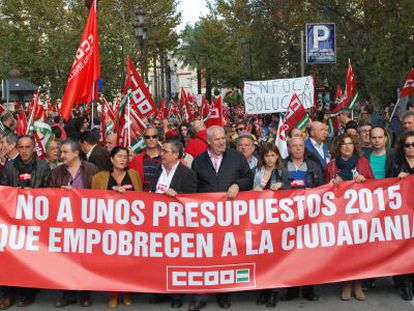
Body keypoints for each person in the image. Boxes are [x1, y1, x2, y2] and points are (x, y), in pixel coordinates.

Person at [191, 125, 253, 310]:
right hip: (206, 218)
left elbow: (249, 178)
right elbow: (193, 187)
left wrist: (237, 184)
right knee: (204, 256)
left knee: (226, 256)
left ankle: (224, 294)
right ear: (209, 141)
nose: (221, 142)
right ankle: (200, 296)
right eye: (217, 140)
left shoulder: (237, 157)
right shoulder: (199, 161)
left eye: (223, 138)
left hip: (230, 217)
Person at [0, 135, 51, 309]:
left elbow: (50, 192)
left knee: (30, 257)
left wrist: (34, 194)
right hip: (12, 218)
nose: (23, 150)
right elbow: (3, 189)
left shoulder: (44, 166)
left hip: (34, 220)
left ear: (34, 148)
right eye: (21, 147)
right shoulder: (9, 166)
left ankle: (27, 293)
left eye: (27, 147)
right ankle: (7, 294)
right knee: (9, 255)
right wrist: (16, 193)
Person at [47, 139, 98, 308]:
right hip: (64, 222)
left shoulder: (91, 169)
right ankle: (66, 294)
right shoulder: (55, 173)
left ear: (76, 153)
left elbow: (99, 195)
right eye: (61, 152)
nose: (61, 155)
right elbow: (47, 196)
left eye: (65, 152)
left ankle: (84, 293)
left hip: (85, 222)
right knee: (65, 260)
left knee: (84, 259)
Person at [325, 133, 374, 301]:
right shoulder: (331, 166)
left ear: (355, 146)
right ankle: (346, 283)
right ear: (338, 147)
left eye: (350, 144)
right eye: (343, 144)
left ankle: (358, 284)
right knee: (344, 251)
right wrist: (331, 185)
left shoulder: (363, 163)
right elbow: (324, 191)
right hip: (340, 214)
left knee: (360, 250)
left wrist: (364, 179)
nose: (347, 147)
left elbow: (374, 186)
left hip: (360, 213)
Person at [91, 146, 142, 308]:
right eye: (119, 156)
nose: (123, 159)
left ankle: (126, 291)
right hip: (108, 227)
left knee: (127, 262)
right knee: (111, 262)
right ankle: (113, 293)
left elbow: (141, 199)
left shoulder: (134, 175)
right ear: (112, 159)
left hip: (129, 226)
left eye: (125, 156)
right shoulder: (99, 177)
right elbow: (93, 200)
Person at [282, 136, 324, 302]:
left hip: (309, 215)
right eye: (295, 146)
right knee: (289, 254)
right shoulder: (282, 165)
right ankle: (292, 290)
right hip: (289, 217)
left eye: (301, 146)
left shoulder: (313, 166)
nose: (298, 148)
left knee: (308, 254)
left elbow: (321, 187)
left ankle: (309, 289)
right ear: (289, 148)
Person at [253, 143, 290, 308]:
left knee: (275, 257)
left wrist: (282, 185)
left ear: (277, 156)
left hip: (277, 219)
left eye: (273, 155)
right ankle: (263, 290)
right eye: (267, 156)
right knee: (262, 257)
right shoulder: (257, 171)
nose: (270, 159)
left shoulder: (282, 171)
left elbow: (292, 189)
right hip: (260, 220)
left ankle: (274, 292)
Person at [394, 131, 414, 301]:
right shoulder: (396, 164)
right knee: (404, 250)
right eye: (407, 145)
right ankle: (404, 284)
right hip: (402, 214)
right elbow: (386, 187)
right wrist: (397, 179)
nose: (411, 148)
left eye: (413, 145)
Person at [129, 127, 162, 192]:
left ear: (157, 138)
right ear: (144, 139)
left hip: (160, 199)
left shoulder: (165, 158)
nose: (151, 139)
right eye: (148, 137)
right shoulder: (136, 159)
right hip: (141, 198)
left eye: (154, 136)